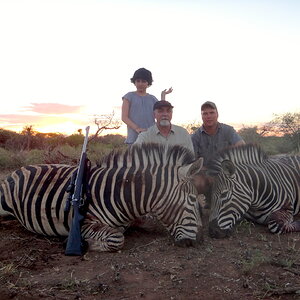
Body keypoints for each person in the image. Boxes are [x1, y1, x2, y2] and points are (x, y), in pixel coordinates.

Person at [121, 67, 172, 144]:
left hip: (151, 138)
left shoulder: (153, 99)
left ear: (148, 83)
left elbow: (161, 110)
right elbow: (124, 117)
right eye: (138, 81)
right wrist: (137, 128)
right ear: (134, 82)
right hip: (134, 138)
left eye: (143, 81)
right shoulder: (128, 97)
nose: (140, 84)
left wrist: (163, 95)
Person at [191, 101, 245, 166]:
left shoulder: (228, 131)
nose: (209, 116)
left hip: (226, 172)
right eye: (205, 114)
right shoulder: (195, 137)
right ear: (201, 116)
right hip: (205, 173)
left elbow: (243, 147)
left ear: (217, 114)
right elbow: (192, 161)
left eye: (212, 113)